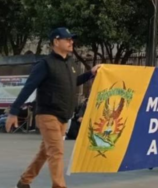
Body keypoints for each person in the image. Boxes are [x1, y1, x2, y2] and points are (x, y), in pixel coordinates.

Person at [7, 28, 102, 188]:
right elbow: (29, 87)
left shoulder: (71, 63)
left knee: (46, 151)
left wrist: (90, 74)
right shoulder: (44, 64)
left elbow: (73, 83)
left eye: (72, 39)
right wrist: (14, 111)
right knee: (56, 152)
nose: (71, 42)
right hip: (47, 114)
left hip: (64, 116)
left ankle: (25, 180)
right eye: (67, 39)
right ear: (56, 42)